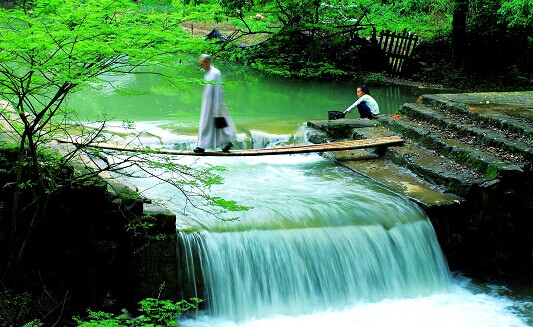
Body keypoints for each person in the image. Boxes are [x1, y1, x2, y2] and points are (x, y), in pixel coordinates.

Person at [193, 54, 236, 154]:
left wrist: (217, 109)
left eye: (202, 63)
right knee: (214, 125)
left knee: (214, 125)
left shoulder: (216, 73)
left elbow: (218, 91)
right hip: (207, 103)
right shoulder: (207, 72)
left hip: (214, 104)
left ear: (208, 62)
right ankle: (226, 143)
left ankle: (201, 147)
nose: (201, 65)